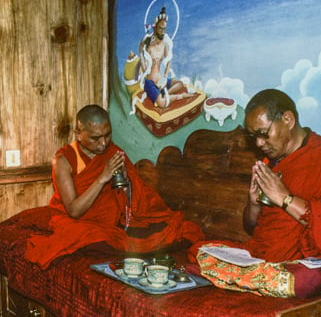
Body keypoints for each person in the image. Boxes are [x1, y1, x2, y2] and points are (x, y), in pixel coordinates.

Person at [189, 89, 321, 298]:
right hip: (263, 256)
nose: (260, 144)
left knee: (306, 280)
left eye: (263, 133)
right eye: (254, 138)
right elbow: (253, 227)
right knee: (201, 251)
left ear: (287, 119)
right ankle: (257, 278)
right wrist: (253, 204)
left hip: (303, 261)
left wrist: (285, 198)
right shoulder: (271, 162)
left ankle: (241, 277)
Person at [25, 105, 205, 269]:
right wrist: (102, 178)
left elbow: (134, 204)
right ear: (78, 134)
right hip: (76, 221)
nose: (103, 143)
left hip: (113, 221)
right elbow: (74, 211)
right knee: (86, 235)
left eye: (107, 135)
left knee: (180, 230)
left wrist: (127, 184)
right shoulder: (64, 160)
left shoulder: (113, 153)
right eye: (95, 138)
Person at [139, 6, 193, 108]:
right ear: (155, 27)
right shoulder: (148, 44)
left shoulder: (164, 44)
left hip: (161, 81)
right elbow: (144, 67)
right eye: (160, 28)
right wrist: (141, 52)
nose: (163, 31)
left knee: (180, 84)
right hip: (150, 82)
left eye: (164, 29)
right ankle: (180, 96)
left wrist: (164, 78)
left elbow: (168, 61)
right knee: (162, 104)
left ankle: (166, 93)